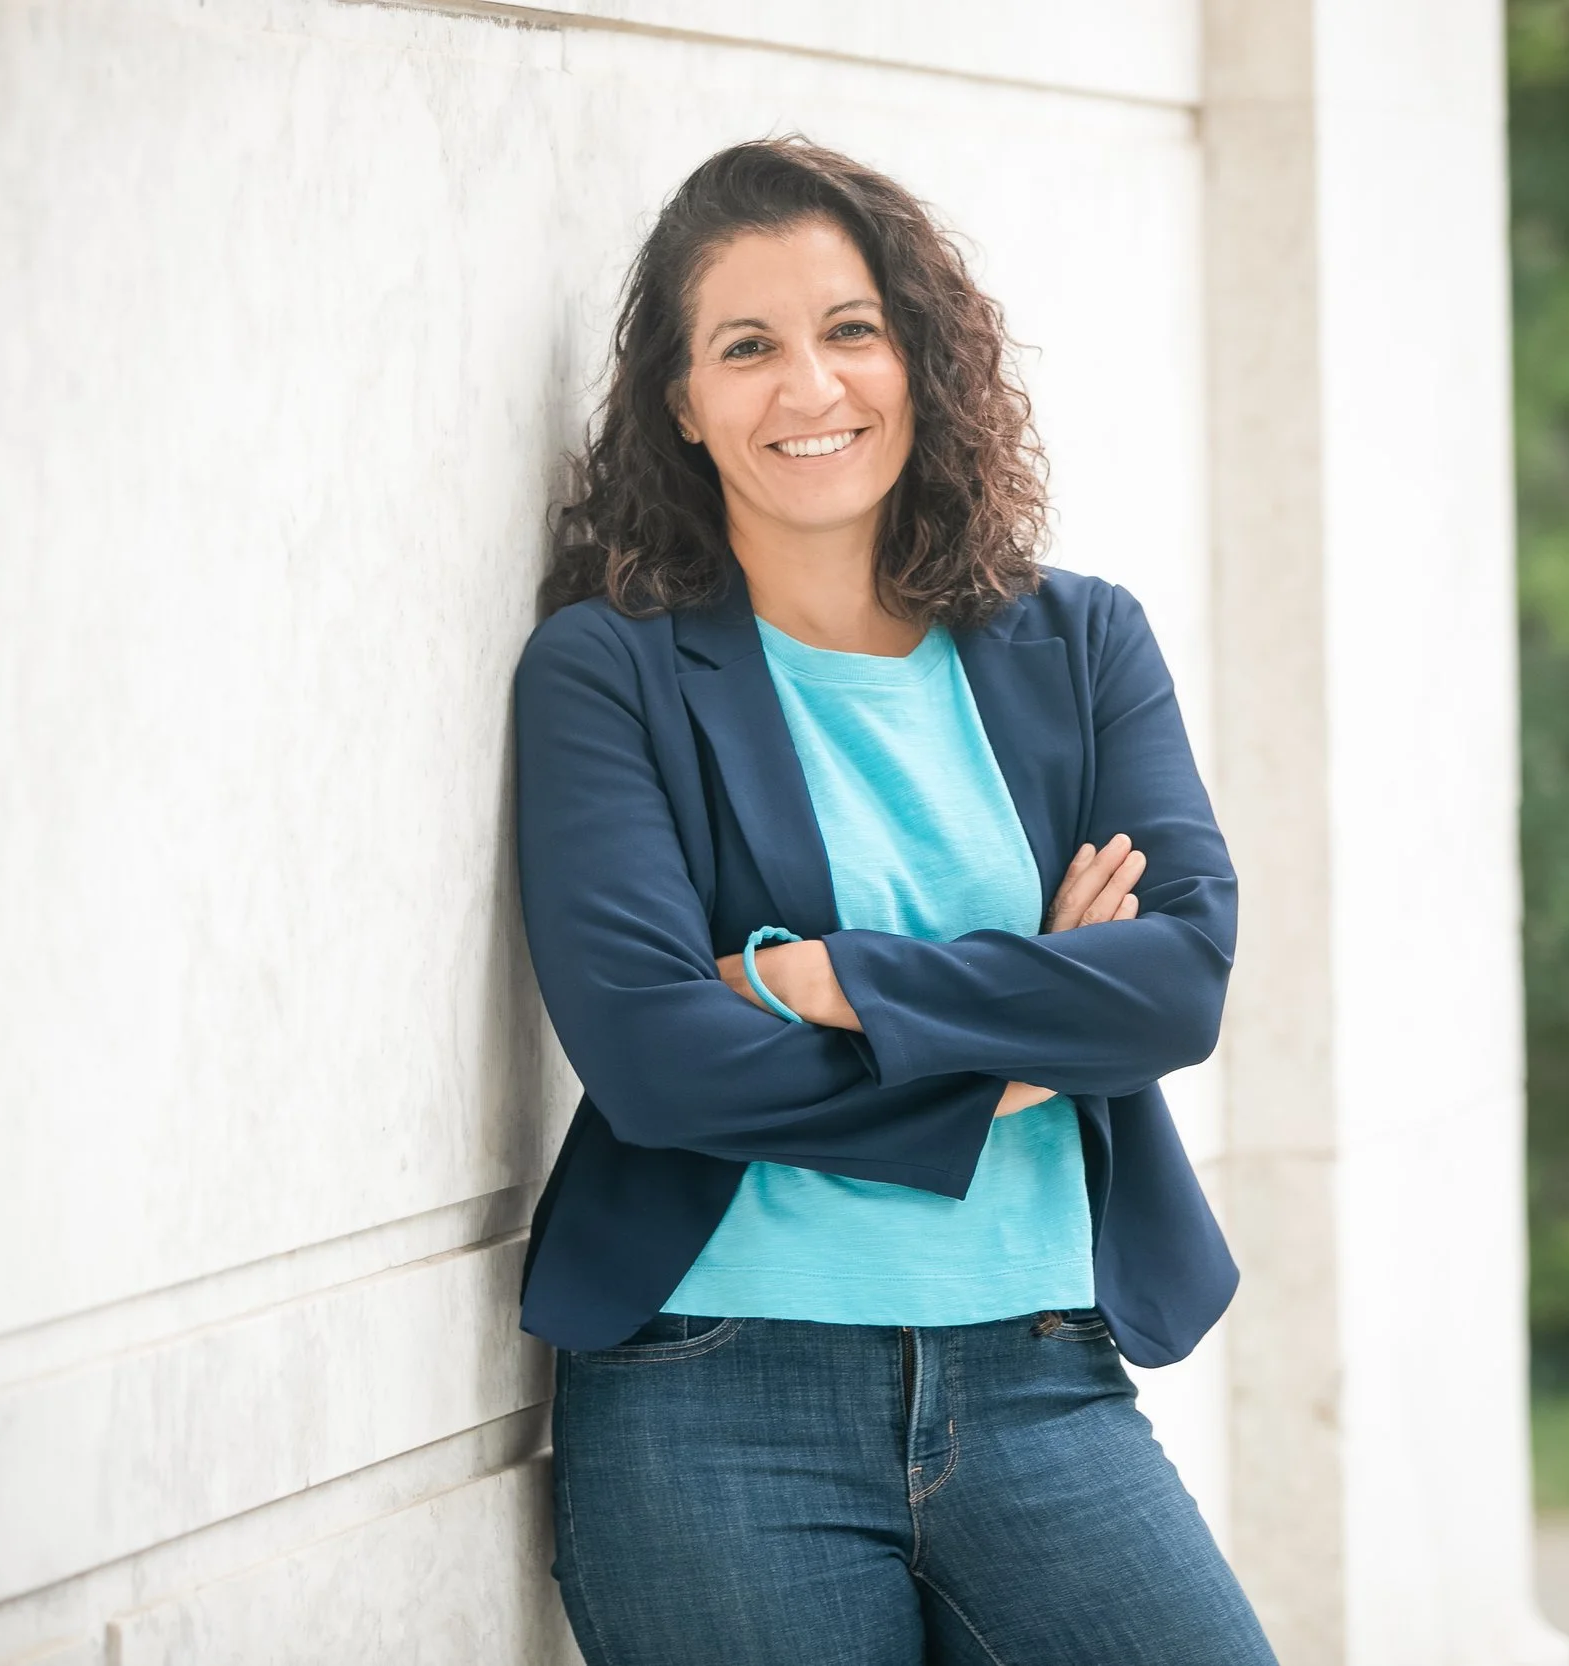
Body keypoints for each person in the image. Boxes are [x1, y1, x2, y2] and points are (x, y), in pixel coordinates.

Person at [511, 136, 1275, 1666]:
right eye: (748, 347)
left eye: (850, 329)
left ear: (919, 358)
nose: (810, 386)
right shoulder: (609, 671)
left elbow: (1177, 981)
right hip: (716, 1392)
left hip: (1042, 1375)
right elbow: (659, 1062)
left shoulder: (1082, 645)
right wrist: (1021, 1049)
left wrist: (829, 979)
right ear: (682, 401)